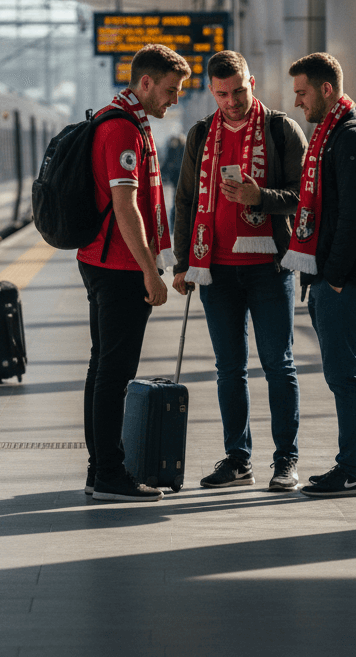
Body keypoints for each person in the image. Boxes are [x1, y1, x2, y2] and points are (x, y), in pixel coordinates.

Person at [172, 50, 307, 491]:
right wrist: (181, 262)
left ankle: (286, 459)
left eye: (238, 91)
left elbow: (306, 197)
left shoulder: (281, 129)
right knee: (228, 368)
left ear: (252, 82)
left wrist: (260, 198)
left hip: (269, 268)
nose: (231, 101)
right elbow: (187, 201)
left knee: (278, 364)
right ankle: (238, 457)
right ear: (212, 91)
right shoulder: (200, 134)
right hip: (216, 271)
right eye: (222, 93)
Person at [78, 44, 190, 502]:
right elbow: (126, 207)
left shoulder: (122, 119)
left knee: (102, 368)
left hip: (100, 259)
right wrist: (151, 271)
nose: (174, 100)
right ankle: (108, 472)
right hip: (120, 265)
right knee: (114, 373)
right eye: (169, 90)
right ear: (145, 83)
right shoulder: (123, 130)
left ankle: (100, 465)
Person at [282, 53, 356, 497]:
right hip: (344, 276)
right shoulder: (335, 135)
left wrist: (336, 275)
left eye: (302, 93)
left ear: (327, 90)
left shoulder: (351, 139)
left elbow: (355, 215)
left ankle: (351, 468)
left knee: (346, 377)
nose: (297, 103)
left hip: (348, 279)